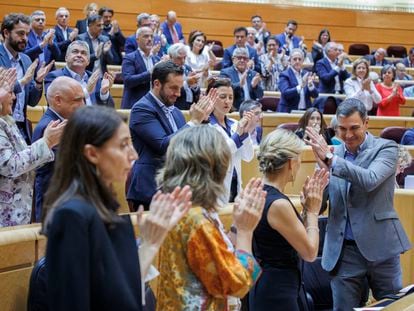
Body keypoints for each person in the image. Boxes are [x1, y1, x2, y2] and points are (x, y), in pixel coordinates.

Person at [41, 105, 192, 310]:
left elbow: (121, 293)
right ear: (92, 153)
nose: (134, 155)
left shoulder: (104, 208)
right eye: (123, 145)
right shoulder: (72, 215)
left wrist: (151, 243)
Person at [306, 98, 411, 311]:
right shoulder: (332, 156)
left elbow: (370, 179)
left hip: (381, 248)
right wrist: (312, 195)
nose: (348, 135)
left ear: (366, 123)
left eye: (354, 127)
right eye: (342, 129)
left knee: (394, 308)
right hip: (344, 253)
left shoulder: (386, 148)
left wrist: (331, 161)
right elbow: (324, 200)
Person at [156, 125, 266, 310]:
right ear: (216, 167)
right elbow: (236, 285)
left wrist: (236, 226)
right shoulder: (195, 220)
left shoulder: (180, 207)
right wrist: (245, 231)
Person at [249, 128, 329, 310]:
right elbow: (309, 252)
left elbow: (282, 237)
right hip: (277, 291)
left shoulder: (260, 191)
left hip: (270, 286)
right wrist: (313, 212)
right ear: (292, 162)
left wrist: (305, 211)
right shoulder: (278, 205)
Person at [126, 60, 213, 210]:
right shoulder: (141, 108)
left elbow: (190, 146)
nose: (178, 94)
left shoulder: (176, 111)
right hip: (149, 190)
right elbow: (164, 146)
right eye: (173, 88)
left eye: (180, 88)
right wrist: (193, 121)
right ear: (157, 84)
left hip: (176, 189)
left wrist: (203, 121)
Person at [0, 67, 65, 227]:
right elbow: (10, 165)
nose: (14, 97)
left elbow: (25, 159)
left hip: (18, 210)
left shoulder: (7, 120)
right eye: (10, 92)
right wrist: (46, 142)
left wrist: (47, 145)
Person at [32, 76, 85, 222]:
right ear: (58, 100)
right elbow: (66, 167)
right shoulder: (50, 127)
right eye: (77, 100)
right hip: (54, 203)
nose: (83, 105)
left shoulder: (63, 122)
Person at [0, 13, 54, 143]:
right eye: (20, 33)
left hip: (21, 126)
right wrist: (22, 82)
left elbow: (32, 102)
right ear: (6, 33)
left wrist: (38, 82)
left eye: (27, 34)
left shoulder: (26, 60)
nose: (25, 38)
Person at [207, 77, 255, 203]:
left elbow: (248, 157)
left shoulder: (235, 124)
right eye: (222, 97)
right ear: (211, 97)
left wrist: (245, 134)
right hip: (215, 187)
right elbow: (219, 156)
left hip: (235, 184)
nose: (227, 101)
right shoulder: (206, 125)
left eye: (230, 97)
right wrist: (237, 136)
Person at [45, 40, 115, 107]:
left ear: (88, 61)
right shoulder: (55, 77)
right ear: (66, 57)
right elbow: (55, 104)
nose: (79, 55)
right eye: (75, 52)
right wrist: (86, 91)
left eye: (83, 53)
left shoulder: (95, 78)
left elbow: (110, 108)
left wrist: (104, 93)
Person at [121, 27, 160, 109]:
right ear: (137, 40)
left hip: (154, 106)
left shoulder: (157, 59)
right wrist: (150, 73)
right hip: (135, 105)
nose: (149, 39)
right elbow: (128, 80)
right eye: (146, 36)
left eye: (151, 36)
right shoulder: (130, 58)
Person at [277, 48, 318, 112]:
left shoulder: (306, 74)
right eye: (295, 59)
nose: (297, 61)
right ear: (290, 61)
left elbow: (315, 95)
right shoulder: (284, 75)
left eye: (299, 59)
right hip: (288, 111)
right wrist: (301, 85)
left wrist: (311, 86)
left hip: (305, 111)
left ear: (303, 61)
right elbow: (286, 93)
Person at [168, 43, 201, 110]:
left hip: (190, 107)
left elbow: (196, 92)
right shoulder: (167, 70)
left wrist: (194, 85)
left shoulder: (188, 68)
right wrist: (187, 83)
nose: (183, 61)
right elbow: (171, 91)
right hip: (175, 107)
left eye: (184, 57)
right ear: (171, 57)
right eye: (179, 58)